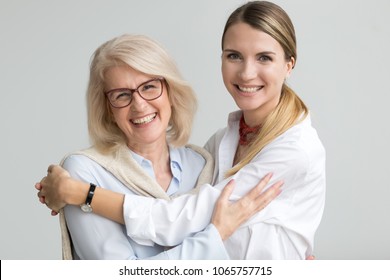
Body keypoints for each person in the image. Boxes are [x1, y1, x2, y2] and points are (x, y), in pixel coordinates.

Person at [37, 0, 325, 259]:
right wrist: (216, 236)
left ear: (289, 64)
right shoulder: (219, 145)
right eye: (234, 56)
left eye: (264, 57)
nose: (247, 72)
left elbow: (176, 218)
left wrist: (84, 195)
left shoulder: (289, 150)